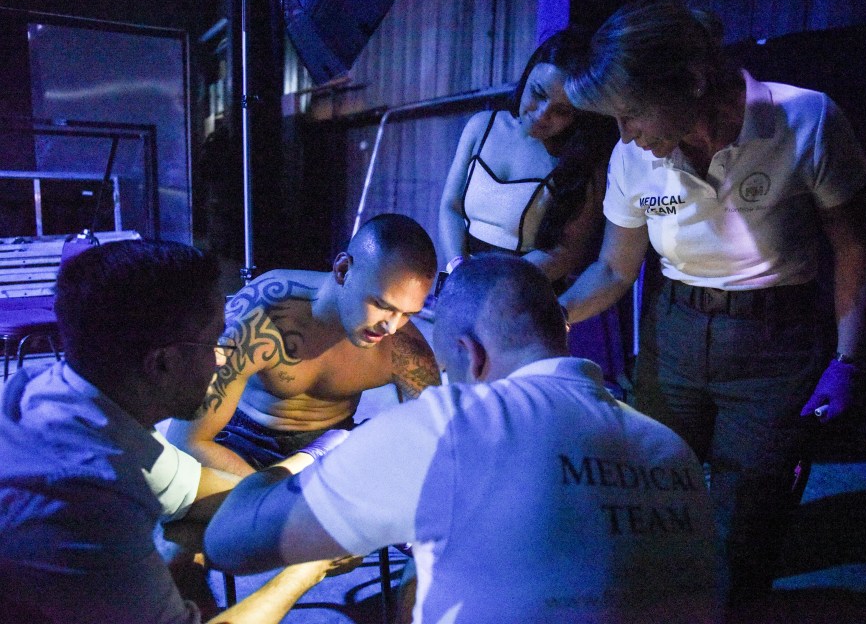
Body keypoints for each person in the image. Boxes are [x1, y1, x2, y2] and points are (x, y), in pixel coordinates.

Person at [204, 254, 720, 624]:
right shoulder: (669, 448)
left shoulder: (453, 425)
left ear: (469, 355)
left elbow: (229, 540)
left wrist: (309, 460)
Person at [557, 0, 866, 604]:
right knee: (648, 486)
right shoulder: (632, 158)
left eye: (631, 114)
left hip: (774, 342)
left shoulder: (806, 120)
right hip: (675, 333)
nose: (625, 135)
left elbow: (854, 243)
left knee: (748, 513)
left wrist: (847, 359)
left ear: (693, 82)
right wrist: (552, 315)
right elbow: (613, 268)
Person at [0, 240, 356, 623]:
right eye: (215, 342)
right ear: (164, 363)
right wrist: (307, 569)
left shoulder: (62, 396)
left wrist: (312, 501)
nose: (223, 359)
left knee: (187, 534)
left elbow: (198, 489)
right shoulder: (85, 505)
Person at [167, 213, 441, 476]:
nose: (391, 326)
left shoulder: (403, 350)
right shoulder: (264, 314)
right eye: (381, 305)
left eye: (407, 313)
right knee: (182, 499)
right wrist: (266, 498)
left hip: (329, 449)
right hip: (241, 445)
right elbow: (188, 442)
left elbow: (435, 437)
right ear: (343, 270)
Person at [437, 28, 617, 283]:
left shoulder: (580, 162)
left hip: (523, 290)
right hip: (462, 277)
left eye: (562, 110)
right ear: (527, 75)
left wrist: (498, 284)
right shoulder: (481, 126)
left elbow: (566, 252)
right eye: (538, 93)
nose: (543, 114)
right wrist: (459, 265)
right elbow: (450, 206)